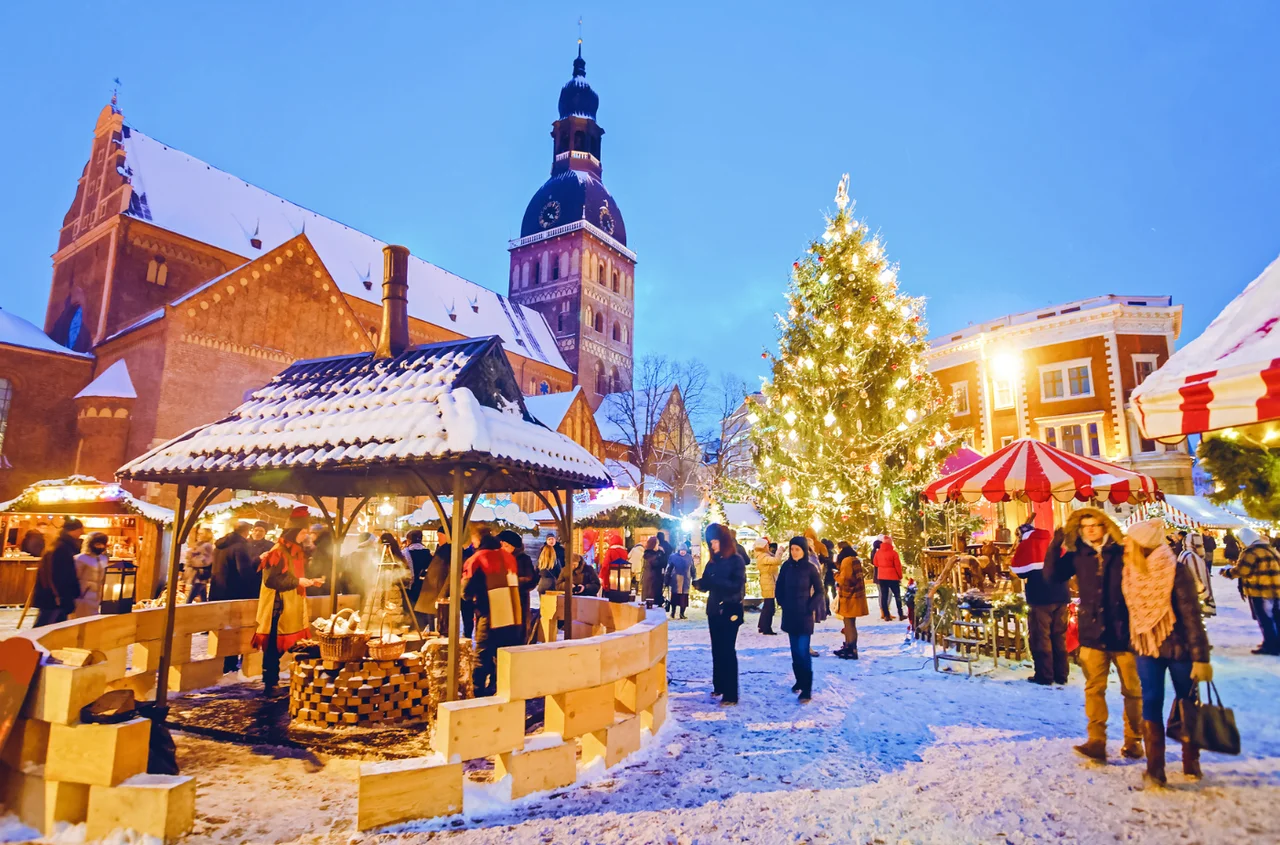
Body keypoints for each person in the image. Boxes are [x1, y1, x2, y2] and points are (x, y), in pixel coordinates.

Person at [1044, 507, 1142, 762]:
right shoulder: (1079, 554)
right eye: (1085, 525)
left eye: (1094, 524)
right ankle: (1096, 741)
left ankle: (1134, 740)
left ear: (1105, 526)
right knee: (1094, 688)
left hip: (1124, 631)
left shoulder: (1122, 551)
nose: (1090, 529)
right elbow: (1053, 576)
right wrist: (1056, 546)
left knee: (1132, 689)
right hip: (1093, 633)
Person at [1121, 519, 1212, 785]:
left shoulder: (1175, 570)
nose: (1127, 544)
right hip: (1146, 645)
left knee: (1186, 700)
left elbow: (1191, 616)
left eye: (1132, 540)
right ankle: (1155, 767)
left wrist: (1200, 657)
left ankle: (1190, 759)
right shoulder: (1130, 571)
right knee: (1151, 700)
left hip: (1179, 647)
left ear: (1142, 543)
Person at [253, 507, 322, 696]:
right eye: (303, 533)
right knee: (273, 646)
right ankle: (270, 682)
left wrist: (309, 581)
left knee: (287, 644)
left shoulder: (295, 552)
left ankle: (278, 680)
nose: (305, 536)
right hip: (278, 606)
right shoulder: (278, 551)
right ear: (294, 532)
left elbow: (293, 575)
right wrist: (298, 581)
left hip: (292, 604)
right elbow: (271, 580)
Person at [693, 523, 747, 706]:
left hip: (730, 610)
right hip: (715, 610)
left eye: (715, 542)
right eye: (710, 542)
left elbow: (736, 586)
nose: (713, 546)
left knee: (727, 650)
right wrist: (700, 584)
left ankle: (731, 693)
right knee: (717, 649)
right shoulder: (713, 561)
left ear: (723, 541)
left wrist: (715, 581)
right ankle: (720, 685)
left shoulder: (736, 561)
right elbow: (709, 582)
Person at [465, 533, 523, 696]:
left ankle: (478, 695)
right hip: (513, 616)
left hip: (491, 615)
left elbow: (465, 591)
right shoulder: (509, 558)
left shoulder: (479, 558)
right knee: (504, 657)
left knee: (482, 655)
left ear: (478, 540)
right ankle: (503, 691)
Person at [1015, 519, 1069, 685]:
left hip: (1040, 598)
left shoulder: (1027, 545)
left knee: (1041, 637)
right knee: (1059, 636)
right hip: (1061, 595)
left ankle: (1045, 675)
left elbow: (1019, 571)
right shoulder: (1052, 541)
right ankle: (1061, 675)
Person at [774, 536, 826, 702]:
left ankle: (807, 688)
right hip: (790, 614)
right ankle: (799, 680)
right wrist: (782, 601)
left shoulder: (810, 568)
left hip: (804, 616)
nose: (794, 552)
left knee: (803, 652)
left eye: (797, 549)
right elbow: (779, 587)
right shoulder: (786, 567)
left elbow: (820, 591)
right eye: (792, 549)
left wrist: (809, 607)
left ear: (803, 550)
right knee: (795, 652)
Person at [1223, 526, 1280, 655]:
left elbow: (1242, 570)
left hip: (1260, 590)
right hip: (1276, 590)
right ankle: (1275, 643)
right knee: (1276, 618)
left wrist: (1227, 572)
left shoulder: (1251, 552)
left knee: (1265, 618)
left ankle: (1270, 646)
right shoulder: (1270, 549)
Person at [32, 519, 84, 627]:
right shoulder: (62, 548)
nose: (82, 533)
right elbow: (60, 575)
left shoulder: (59, 545)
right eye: (80, 529)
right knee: (46, 626)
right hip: (56, 597)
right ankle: (28, 644)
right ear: (74, 530)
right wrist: (62, 596)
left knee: (51, 626)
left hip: (54, 595)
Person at [497, 530, 537, 644]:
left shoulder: (523, 559)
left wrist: (511, 582)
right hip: (501, 603)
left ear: (513, 547)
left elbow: (531, 580)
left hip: (519, 602)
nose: (503, 548)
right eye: (502, 545)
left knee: (517, 635)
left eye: (506, 545)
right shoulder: (499, 558)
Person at [834, 542, 870, 658]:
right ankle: (850, 647)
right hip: (856, 596)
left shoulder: (847, 561)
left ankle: (851, 648)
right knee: (851, 623)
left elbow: (845, 579)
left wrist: (836, 575)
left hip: (849, 597)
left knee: (848, 623)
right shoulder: (855, 560)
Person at [414, 528, 452, 633]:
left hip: (438, 590)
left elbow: (451, 574)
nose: (438, 538)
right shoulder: (441, 548)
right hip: (432, 589)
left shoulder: (449, 550)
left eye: (440, 536)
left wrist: (443, 594)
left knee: (438, 621)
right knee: (430, 617)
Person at [71, 532, 110, 618]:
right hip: (82, 596)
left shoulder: (102, 558)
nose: (100, 547)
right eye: (98, 544)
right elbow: (74, 578)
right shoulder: (80, 558)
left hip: (96, 596)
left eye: (102, 544)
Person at [1178, 532, 1216, 617]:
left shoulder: (1184, 553)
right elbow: (1196, 578)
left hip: (1188, 597)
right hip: (1195, 599)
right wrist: (1205, 595)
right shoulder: (1192, 557)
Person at [753, 537, 782, 635]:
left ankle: (762, 626)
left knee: (767, 605)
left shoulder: (764, 555)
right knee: (769, 606)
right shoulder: (763, 556)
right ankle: (766, 628)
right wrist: (779, 552)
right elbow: (776, 561)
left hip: (768, 581)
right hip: (768, 581)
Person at [873, 536, 905, 621]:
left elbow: (875, 563)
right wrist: (900, 576)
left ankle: (886, 615)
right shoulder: (894, 553)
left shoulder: (878, 552)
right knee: (897, 595)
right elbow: (898, 566)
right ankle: (900, 614)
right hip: (893, 577)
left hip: (882, 577)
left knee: (884, 596)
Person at [181, 527, 215, 603]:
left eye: (201, 533)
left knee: (191, 597)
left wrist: (192, 560)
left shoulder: (207, 546)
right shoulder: (199, 544)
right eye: (199, 533)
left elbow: (206, 560)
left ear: (207, 535)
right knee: (202, 596)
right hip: (196, 574)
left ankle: (185, 609)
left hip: (199, 575)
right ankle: (205, 608)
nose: (199, 535)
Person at [666, 543, 695, 619]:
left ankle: (682, 613)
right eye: (681, 550)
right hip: (676, 579)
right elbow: (669, 569)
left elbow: (692, 569)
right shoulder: (673, 557)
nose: (683, 552)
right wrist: (667, 579)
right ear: (679, 550)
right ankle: (673, 612)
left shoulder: (689, 557)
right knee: (675, 597)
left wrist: (694, 578)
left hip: (686, 580)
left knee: (684, 598)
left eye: (684, 550)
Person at [641, 537, 667, 606]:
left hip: (656, 579)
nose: (658, 545)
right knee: (651, 597)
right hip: (651, 579)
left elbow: (664, 563)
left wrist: (661, 553)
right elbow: (656, 564)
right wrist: (660, 554)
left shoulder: (656, 553)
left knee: (656, 597)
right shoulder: (649, 554)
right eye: (657, 544)